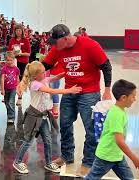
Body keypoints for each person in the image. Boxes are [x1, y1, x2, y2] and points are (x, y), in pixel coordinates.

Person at [42, 24, 112, 177]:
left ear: (65, 38)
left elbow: (106, 66)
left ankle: (88, 162)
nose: (53, 46)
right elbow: (44, 65)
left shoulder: (90, 45)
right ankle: (67, 155)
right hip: (70, 90)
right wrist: (29, 75)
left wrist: (107, 90)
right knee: (65, 124)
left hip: (89, 92)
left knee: (90, 128)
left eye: (55, 42)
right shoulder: (58, 49)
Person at [13, 61, 82, 174]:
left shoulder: (44, 80)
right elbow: (52, 91)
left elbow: (56, 78)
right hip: (33, 116)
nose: (45, 73)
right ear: (35, 75)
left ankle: (49, 162)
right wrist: (69, 90)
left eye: (45, 71)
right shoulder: (35, 84)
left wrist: (69, 71)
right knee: (28, 141)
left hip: (43, 115)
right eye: (43, 72)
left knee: (48, 140)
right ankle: (17, 161)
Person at [85, 79, 139, 180]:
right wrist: (134, 158)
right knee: (92, 178)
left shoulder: (120, 111)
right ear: (123, 98)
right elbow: (119, 141)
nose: (135, 99)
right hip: (106, 156)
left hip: (117, 155)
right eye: (133, 96)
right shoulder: (116, 114)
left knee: (129, 178)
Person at [7, 24, 31, 106]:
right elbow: (8, 52)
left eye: (19, 30)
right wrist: (13, 53)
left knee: (20, 79)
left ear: (22, 31)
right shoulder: (12, 40)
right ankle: (11, 96)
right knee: (11, 78)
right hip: (13, 61)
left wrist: (20, 54)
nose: (18, 32)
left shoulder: (26, 40)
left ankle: (20, 97)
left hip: (23, 61)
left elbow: (28, 54)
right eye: (16, 30)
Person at [0, 51, 20, 123]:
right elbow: (2, 79)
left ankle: (11, 117)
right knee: (6, 102)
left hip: (13, 88)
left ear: (14, 60)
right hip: (6, 88)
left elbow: (18, 79)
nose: (9, 61)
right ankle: (10, 114)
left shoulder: (16, 69)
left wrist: (18, 88)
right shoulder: (4, 69)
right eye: (7, 60)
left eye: (11, 60)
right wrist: (2, 89)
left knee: (11, 102)